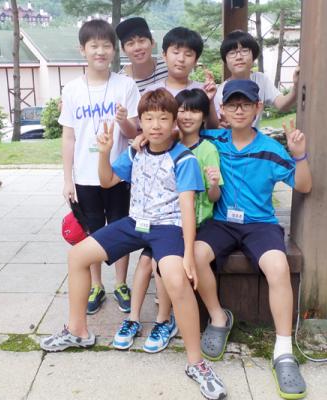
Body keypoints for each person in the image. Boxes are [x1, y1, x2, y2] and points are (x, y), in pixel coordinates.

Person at [40, 88, 227, 400]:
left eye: (163, 118)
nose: (156, 125)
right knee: (78, 255)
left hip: (167, 227)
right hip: (134, 222)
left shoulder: (184, 159)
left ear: (174, 122)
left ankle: (196, 363)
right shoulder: (135, 152)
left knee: (176, 279)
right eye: (149, 118)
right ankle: (77, 330)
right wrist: (104, 152)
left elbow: (187, 209)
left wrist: (188, 256)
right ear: (141, 122)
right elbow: (107, 181)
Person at [196, 80, 311, 399]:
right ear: (222, 109)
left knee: (278, 267)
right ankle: (219, 317)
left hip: (260, 224)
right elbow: (180, 134)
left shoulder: (271, 149)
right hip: (222, 222)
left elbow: (303, 186)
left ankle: (283, 351)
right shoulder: (213, 139)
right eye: (232, 104)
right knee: (195, 254)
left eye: (245, 104)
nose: (239, 110)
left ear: (258, 108)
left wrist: (300, 156)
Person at [112, 88, 223, 354]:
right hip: (162, 222)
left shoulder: (205, 149)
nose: (186, 116)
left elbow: (213, 195)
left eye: (194, 110)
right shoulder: (162, 142)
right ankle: (133, 318)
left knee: (159, 264)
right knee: (144, 262)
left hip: (192, 223)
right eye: (182, 110)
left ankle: (164, 319)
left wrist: (213, 183)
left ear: (204, 116)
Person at [59, 19, 141, 315]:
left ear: (114, 50)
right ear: (82, 50)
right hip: (84, 176)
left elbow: (134, 132)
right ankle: (96, 285)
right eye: (94, 45)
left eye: (106, 45)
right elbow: (68, 137)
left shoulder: (126, 85)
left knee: (121, 227)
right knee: (91, 231)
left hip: (118, 174)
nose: (100, 51)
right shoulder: (72, 90)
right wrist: (67, 179)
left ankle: (120, 284)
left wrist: (123, 121)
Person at [214, 30, 300, 128]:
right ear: (225, 60)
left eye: (244, 51)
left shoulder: (260, 80)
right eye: (232, 53)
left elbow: (282, 105)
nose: (239, 57)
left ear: (253, 56)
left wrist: (296, 86)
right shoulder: (221, 92)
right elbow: (216, 125)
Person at [144, 26, 218, 129]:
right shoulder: (152, 92)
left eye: (188, 54)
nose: (181, 59)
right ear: (164, 55)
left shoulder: (203, 90)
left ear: (196, 61)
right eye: (176, 52)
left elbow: (213, 128)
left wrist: (209, 101)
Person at [116, 17, 168, 94]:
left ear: (152, 42)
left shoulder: (167, 67)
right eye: (130, 44)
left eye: (141, 41)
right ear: (123, 50)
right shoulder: (120, 82)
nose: (137, 48)